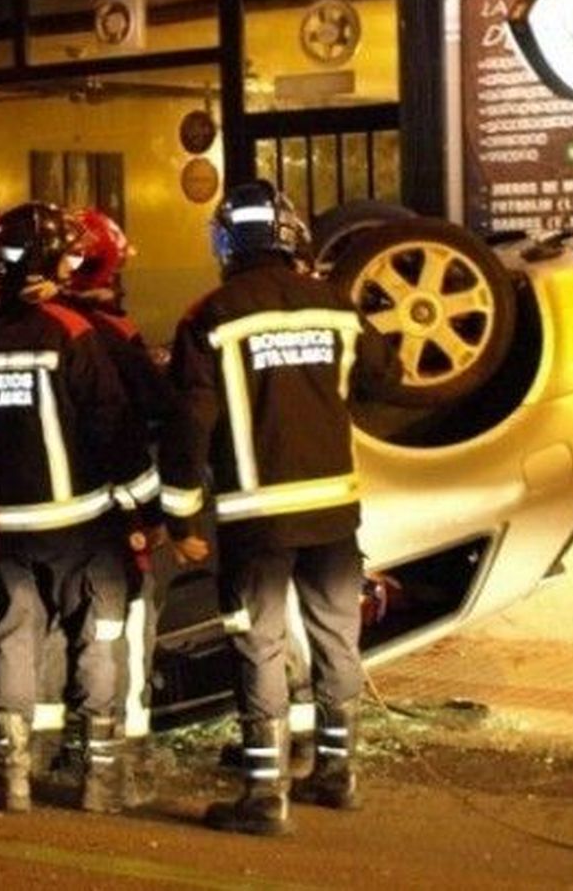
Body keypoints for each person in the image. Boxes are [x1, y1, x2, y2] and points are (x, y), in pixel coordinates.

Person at [158, 181, 399, 836]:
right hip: (334, 514)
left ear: (226, 244)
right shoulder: (335, 305)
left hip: (256, 519)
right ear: (291, 235)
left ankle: (265, 794)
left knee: (259, 644)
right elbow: (388, 375)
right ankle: (337, 772)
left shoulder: (210, 316)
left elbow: (188, 424)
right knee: (336, 637)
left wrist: (181, 519)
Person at [0, 201, 152, 815]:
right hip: (83, 524)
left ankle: (13, 777)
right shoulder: (70, 329)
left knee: (15, 640)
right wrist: (145, 509)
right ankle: (100, 781)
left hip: (12, 525)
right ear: (50, 261)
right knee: (99, 639)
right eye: (66, 256)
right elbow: (111, 424)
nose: (71, 265)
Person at [54, 207, 175, 805]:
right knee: (124, 622)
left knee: (52, 625)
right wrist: (152, 513)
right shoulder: (108, 332)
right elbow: (148, 410)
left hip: (48, 508)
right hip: (112, 508)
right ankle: (124, 756)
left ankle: (51, 746)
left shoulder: (41, 325)